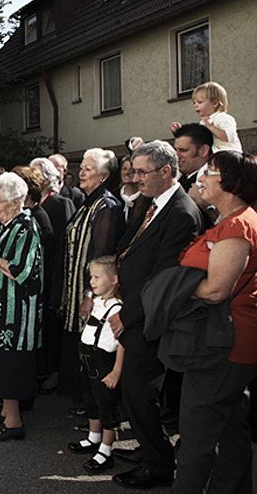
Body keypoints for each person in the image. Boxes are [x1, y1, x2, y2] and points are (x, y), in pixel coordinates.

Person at [108, 140, 203, 489]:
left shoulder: (180, 212)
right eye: (133, 171)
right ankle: (152, 448)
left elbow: (163, 277)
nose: (135, 178)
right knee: (134, 392)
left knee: (138, 390)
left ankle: (158, 465)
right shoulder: (152, 204)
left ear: (166, 171)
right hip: (135, 310)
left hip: (149, 319)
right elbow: (130, 249)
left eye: (142, 172)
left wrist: (125, 315)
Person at [169, 151, 257, 493]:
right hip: (229, 341)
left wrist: (175, 288)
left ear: (232, 183)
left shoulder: (238, 225)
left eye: (211, 171)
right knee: (231, 430)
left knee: (197, 436)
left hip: (223, 344)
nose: (200, 177)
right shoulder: (233, 219)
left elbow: (217, 289)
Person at [0, 172, 43, 442]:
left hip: (17, 312)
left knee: (10, 364)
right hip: (2, 307)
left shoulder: (27, 226)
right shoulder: (11, 224)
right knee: (0, 361)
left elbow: (22, 270)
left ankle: (14, 421)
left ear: (16, 202)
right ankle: (5, 411)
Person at [60, 149, 124, 403]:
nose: (81, 173)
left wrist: (90, 296)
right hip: (76, 288)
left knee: (93, 348)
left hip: (93, 293)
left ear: (105, 176)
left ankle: (97, 414)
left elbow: (102, 254)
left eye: (89, 169)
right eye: (82, 167)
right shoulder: (86, 203)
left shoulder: (105, 207)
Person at [68, 256, 124, 473]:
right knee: (90, 401)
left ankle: (106, 450)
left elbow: (122, 344)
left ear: (114, 280)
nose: (92, 281)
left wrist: (116, 371)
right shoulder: (98, 301)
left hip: (103, 364)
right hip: (87, 360)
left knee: (106, 406)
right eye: (91, 276)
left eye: (97, 277)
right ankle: (93, 437)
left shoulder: (117, 307)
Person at [30, 157, 76, 395]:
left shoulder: (60, 203)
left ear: (47, 179)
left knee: (52, 326)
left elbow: (64, 245)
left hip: (54, 273)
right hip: (38, 274)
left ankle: (54, 373)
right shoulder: (34, 205)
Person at [171, 81, 241, 153]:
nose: (196, 105)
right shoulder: (203, 122)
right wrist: (180, 132)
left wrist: (211, 127)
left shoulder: (223, 118)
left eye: (200, 102)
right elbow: (196, 140)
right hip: (214, 156)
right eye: (194, 103)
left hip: (230, 156)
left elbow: (230, 137)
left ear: (215, 103)